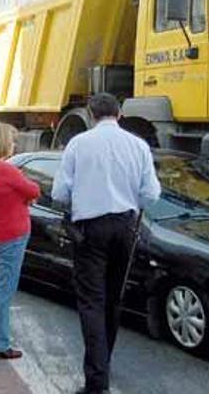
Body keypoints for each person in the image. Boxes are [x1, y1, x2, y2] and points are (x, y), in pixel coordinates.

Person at [51, 93, 161, 394]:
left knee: (91, 303)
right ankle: (103, 365)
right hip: (125, 226)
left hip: (90, 230)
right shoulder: (138, 146)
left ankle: (96, 381)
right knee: (113, 299)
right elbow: (151, 194)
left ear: (90, 114)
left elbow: (60, 193)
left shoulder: (78, 144)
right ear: (120, 114)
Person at [0, 123, 39, 360]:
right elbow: (33, 190)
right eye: (11, 141)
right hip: (12, 235)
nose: (14, 144)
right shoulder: (6, 170)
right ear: (3, 143)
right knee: (5, 289)